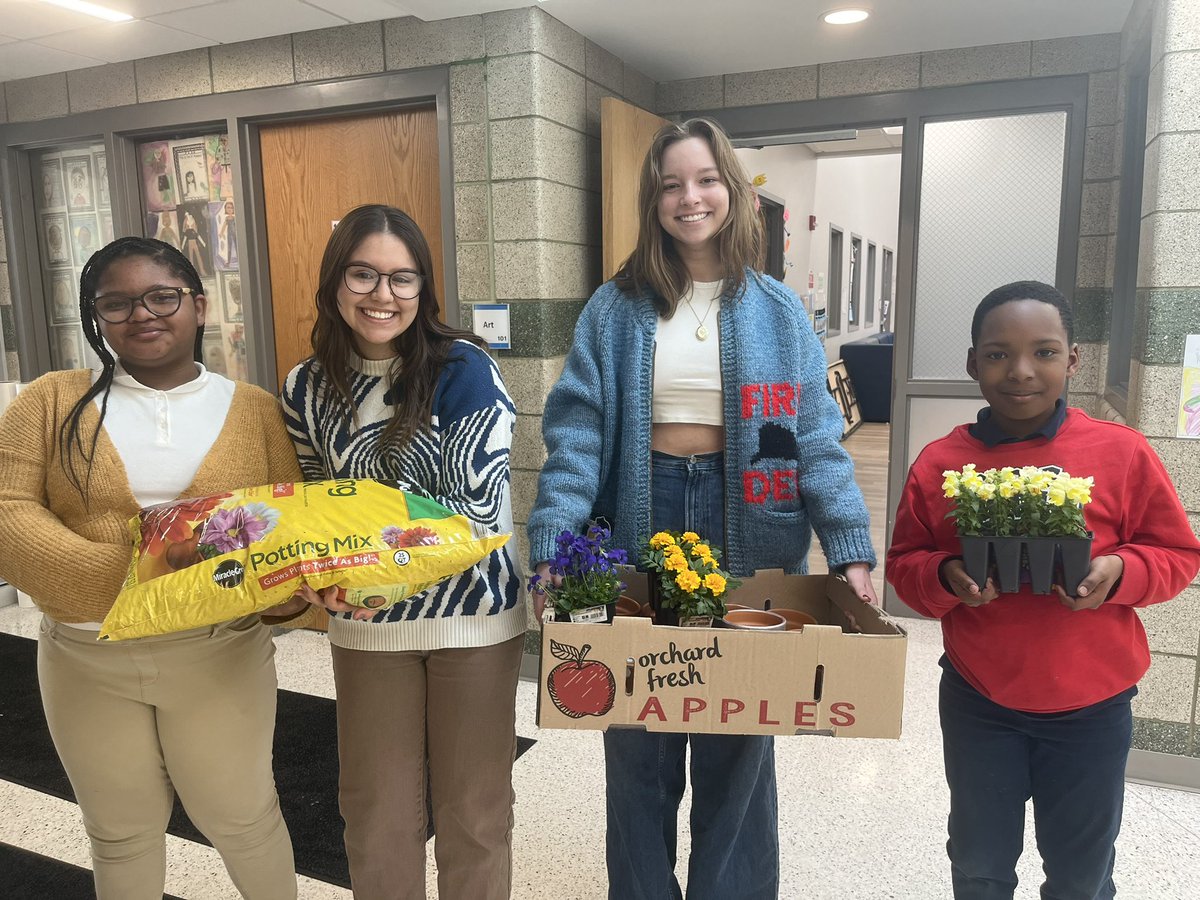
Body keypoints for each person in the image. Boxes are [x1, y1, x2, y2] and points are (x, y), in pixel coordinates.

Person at [527, 118, 878, 900]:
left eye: (706, 179)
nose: (691, 198)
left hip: (747, 525)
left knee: (738, 731)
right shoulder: (614, 310)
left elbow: (814, 439)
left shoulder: (778, 310)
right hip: (637, 516)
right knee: (637, 728)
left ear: (734, 190)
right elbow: (577, 436)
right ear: (653, 200)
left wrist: (849, 547)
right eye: (671, 185)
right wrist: (552, 542)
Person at [0, 236, 309, 900]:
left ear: (199, 306)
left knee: (243, 819)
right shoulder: (49, 401)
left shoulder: (256, 411)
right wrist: (139, 580)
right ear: (97, 318)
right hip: (85, 656)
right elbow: (7, 509)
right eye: (116, 303)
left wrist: (287, 594)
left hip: (218, 653)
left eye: (161, 297)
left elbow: (285, 526)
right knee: (120, 832)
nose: (141, 314)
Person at [886, 281, 1200, 900]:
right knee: (979, 862)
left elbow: (1178, 554)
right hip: (979, 699)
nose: (1021, 371)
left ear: (1073, 359)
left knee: (1081, 872)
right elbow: (904, 565)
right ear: (972, 362)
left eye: (1045, 352)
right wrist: (946, 576)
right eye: (997, 354)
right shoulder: (941, 463)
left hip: (1094, 705)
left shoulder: (1121, 452)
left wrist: (1121, 572)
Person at [281, 204, 524, 900]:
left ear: (423, 287)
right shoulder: (305, 386)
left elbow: (476, 515)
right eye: (363, 274)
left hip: (472, 617)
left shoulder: (465, 368)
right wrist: (315, 575)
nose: (382, 295)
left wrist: (365, 564)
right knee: (375, 815)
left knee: (473, 813)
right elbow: (316, 504)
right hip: (366, 628)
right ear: (335, 281)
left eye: (402, 278)